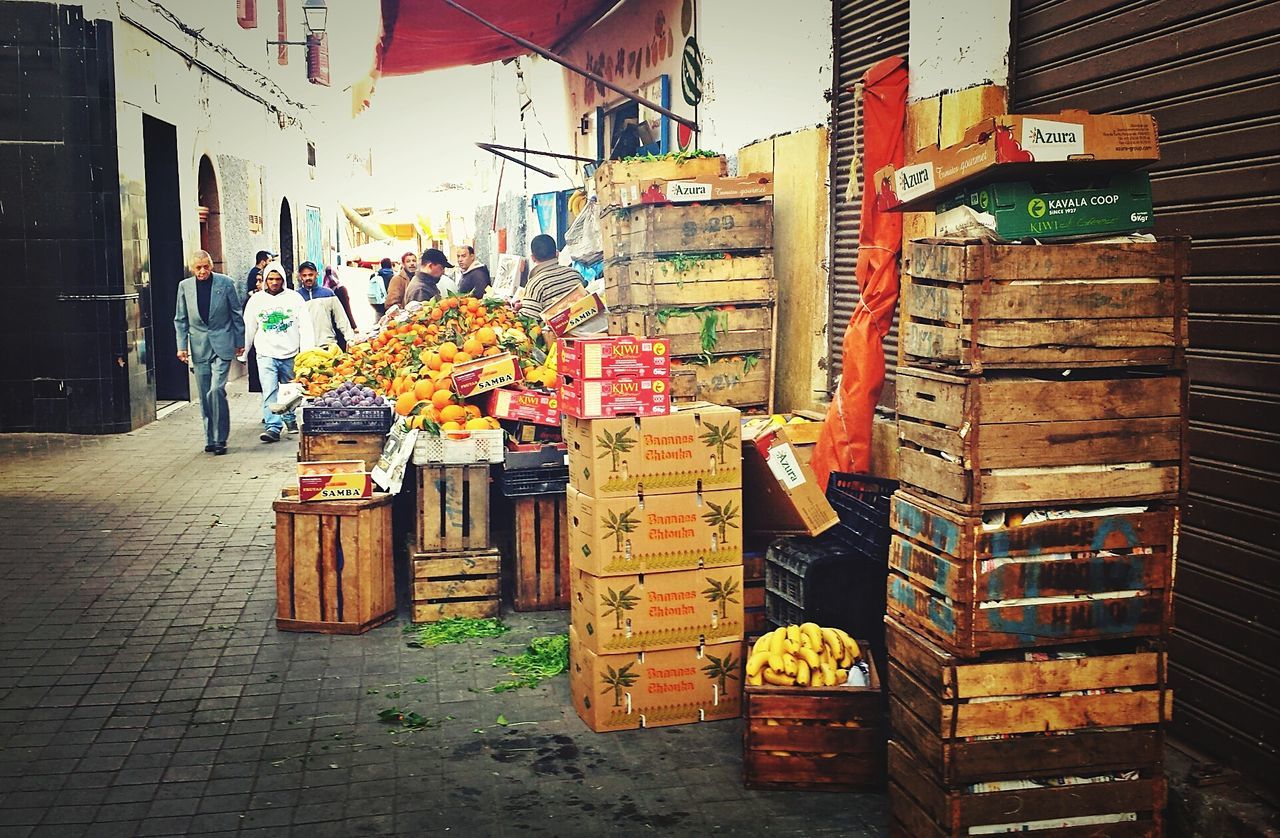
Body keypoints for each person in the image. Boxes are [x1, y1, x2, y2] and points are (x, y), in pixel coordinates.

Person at [174, 249, 245, 456]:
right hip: (198, 347)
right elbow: (180, 319)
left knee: (216, 390)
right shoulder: (184, 287)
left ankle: (221, 438)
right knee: (205, 396)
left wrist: (239, 341)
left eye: (206, 266)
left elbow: (236, 314)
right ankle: (210, 438)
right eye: (198, 268)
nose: (202, 271)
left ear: (211, 266)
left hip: (222, 343)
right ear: (191, 268)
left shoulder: (225, 283)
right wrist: (181, 346)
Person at [243, 261, 315, 443]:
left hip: (290, 353)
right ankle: (273, 426)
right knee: (269, 390)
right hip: (265, 353)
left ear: (283, 279)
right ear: (265, 280)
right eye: (270, 279)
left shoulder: (295, 299)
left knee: (290, 391)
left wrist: (306, 353)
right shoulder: (256, 301)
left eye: (278, 279)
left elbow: (305, 327)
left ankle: (290, 419)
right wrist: (244, 351)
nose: (274, 282)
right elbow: (249, 327)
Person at [520, 234, 585, 320]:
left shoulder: (536, 284)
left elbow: (529, 320)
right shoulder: (575, 274)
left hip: (556, 331)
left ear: (533, 258)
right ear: (557, 254)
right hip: (586, 327)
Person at [297, 261, 357, 349]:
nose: (308, 278)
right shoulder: (296, 297)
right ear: (300, 276)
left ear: (316, 274)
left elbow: (341, 319)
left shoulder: (328, 294)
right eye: (304, 275)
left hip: (328, 345)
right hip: (306, 348)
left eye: (310, 275)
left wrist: (350, 339)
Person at [323, 265, 357, 331]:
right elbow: (347, 309)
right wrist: (354, 326)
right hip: (341, 325)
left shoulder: (323, 290)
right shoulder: (341, 289)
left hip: (327, 328)